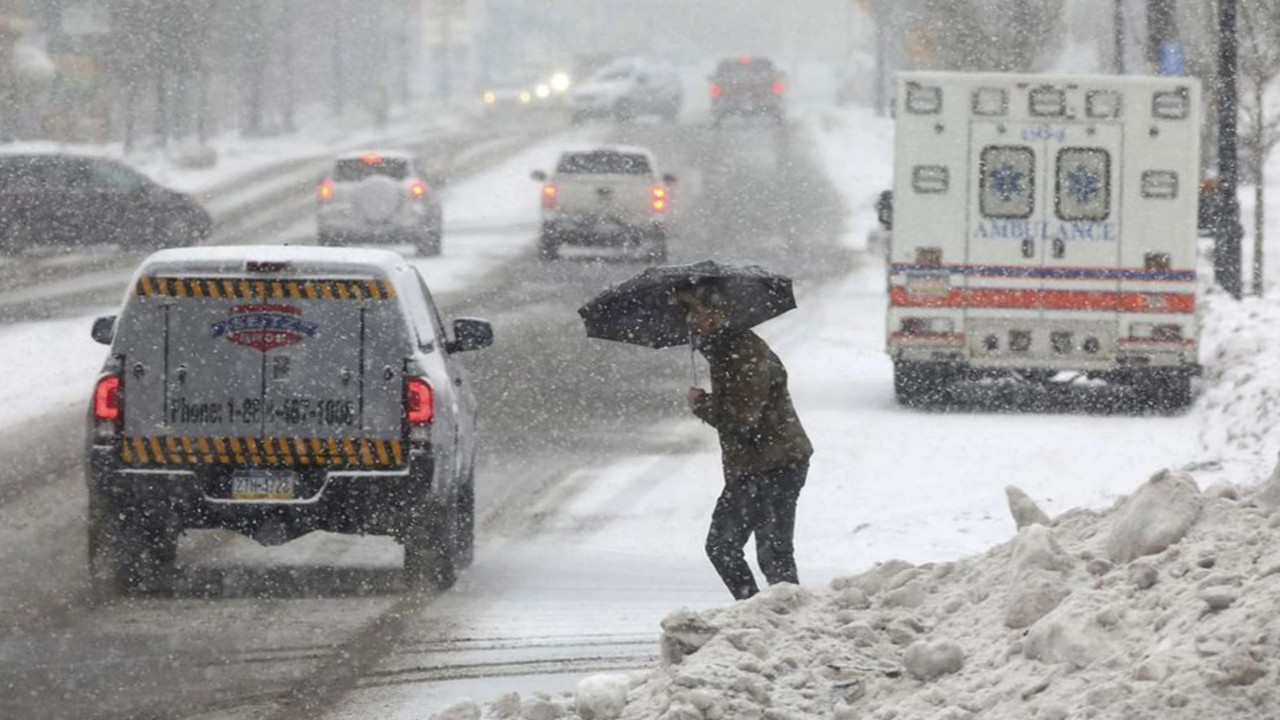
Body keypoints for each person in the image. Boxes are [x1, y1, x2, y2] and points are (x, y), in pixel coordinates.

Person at [677, 284, 813, 600]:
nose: (691, 320)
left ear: (720, 312)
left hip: (772, 464)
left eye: (697, 310)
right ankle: (773, 620)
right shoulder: (726, 350)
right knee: (767, 552)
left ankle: (766, 619)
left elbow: (742, 418)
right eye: (687, 313)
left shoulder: (744, 352)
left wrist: (702, 405)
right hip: (763, 463)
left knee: (739, 548)